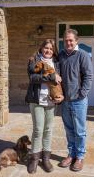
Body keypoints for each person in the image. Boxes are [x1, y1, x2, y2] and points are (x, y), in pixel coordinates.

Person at [58, 29, 93, 172]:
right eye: (66, 40)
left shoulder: (83, 55)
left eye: (71, 40)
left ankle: (79, 156)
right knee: (69, 129)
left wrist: (82, 93)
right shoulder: (61, 55)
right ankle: (71, 154)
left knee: (80, 130)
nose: (68, 42)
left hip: (78, 100)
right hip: (65, 100)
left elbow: (88, 76)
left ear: (76, 41)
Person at [25, 39, 62, 174]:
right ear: (41, 48)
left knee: (48, 129)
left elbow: (61, 81)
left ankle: (46, 158)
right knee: (38, 130)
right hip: (37, 100)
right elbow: (33, 78)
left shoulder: (57, 62)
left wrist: (61, 96)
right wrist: (52, 76)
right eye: (46, 48)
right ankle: (34, 158)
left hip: (52, 101)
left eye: (51, 49)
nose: (48, 51)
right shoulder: (33, 60)